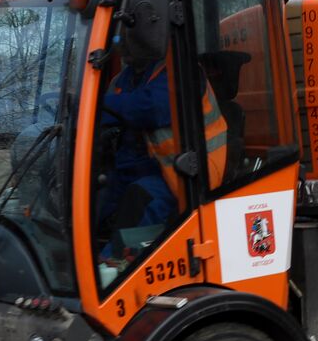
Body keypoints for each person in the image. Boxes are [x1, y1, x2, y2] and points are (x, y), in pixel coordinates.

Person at [97, 56, 228, 254]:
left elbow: (149, 108)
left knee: (141, 198)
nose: (124, 38)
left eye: (130, 28)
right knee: (96, 198)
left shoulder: (183, 69)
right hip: (144, 168)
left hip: (189, 174)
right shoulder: (124, 78)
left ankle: (112, 266)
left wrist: (93, 105)